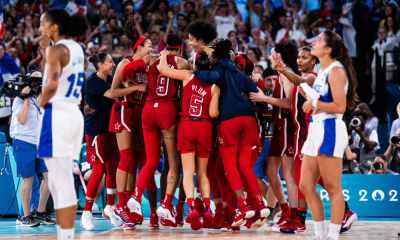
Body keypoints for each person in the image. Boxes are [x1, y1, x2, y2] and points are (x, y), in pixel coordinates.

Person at [194, 39, 270, 229]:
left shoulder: (218, 71)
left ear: (217, 56)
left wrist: (193, 70)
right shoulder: (242, 75)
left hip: (229, 121)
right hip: (249, 120)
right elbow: (259, 99)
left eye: (212, 55)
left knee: (229, 166)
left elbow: (203, 76)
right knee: (244, 165)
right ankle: (260, 205)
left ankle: (243, 207)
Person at [299, 31, 358, 240]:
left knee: (333, 187)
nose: (314, 43)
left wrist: (313, 102)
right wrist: (305, 89)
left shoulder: (336, 71)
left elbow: (340, 106)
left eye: (319, 41)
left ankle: (332, 236)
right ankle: (320, 235)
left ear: (328, 50)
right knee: (306, 184)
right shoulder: (323, 70)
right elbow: (318, 97)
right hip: (317, 128)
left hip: (330, 128)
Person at [126, 34, 189, 228]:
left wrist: (127, 81)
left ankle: (135, 197)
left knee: (151, 160)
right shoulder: (182, 63)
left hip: (148, 109)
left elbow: (128, 66)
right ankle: (167, 203)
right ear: (180, 49)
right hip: (167, 110)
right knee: (173, 162)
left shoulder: (151, 58)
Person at [38, 8, 89, 240]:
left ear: (54, 27)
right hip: (73, 113)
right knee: (60, 181)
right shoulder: (78, 49)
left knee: (60, 181)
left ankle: (66, 236)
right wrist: (44, 51)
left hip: (56, 113)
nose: (40, 29)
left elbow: (50, 85)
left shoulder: (57, 50)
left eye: (43, 24)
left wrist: (40, 101)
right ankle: (63, 234)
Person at [159, 50, 220, 230]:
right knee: (203, 173)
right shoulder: (215, 86)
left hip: (186, 125)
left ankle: (192, 206)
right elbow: (213, 113)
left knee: (187, 172)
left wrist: (163, 54)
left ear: (195, 66)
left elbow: (163, 69)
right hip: (204, 127)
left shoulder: (187, 76)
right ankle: (208, 209)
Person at [108, 6, 157, 229]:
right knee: (126, 159)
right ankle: (120, 205)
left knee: (138, 160)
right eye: (149, 46)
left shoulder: (149, 67)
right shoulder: (125, 64)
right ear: (139, 48)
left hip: (141, 113)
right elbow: (112, 92)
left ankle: (128, 207)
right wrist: (135, 87)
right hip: (124, 110)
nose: (152, 49)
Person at [250, 40, 299, 233]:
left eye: (272, 53)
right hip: (278, 127)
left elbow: (289, 102)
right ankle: (285, 210)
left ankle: (293, 217)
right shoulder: (281, 74)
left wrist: (264, 99)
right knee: (271, 172)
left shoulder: (287, 74)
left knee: (287, 175)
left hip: (286, 126)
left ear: (279, 55)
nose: (270, 56)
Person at [80, 53, 123, 230]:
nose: (113, 64)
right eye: (110, 62)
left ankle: (110, 207)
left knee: (113, 168)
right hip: (96, 131)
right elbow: (114, 94)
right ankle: (86, 213)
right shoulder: (93, 81)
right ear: (100, 65)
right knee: (98, 171)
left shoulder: (109, 78)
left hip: (110, 130)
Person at [10, 71, 55, 227]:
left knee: (50, 176)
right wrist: (27, 99)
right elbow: (22, 120)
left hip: (41, 142)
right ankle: (25, 215)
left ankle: (41, 212)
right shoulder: (18, 100)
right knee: (28, 179)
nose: (38, 85)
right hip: (24, 141)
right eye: (35, 81)